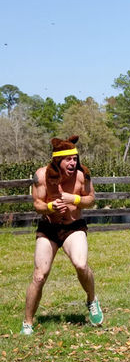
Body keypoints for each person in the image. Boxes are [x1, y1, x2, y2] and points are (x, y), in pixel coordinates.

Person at [22, 135, 103, 335]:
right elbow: (37, 204)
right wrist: (50, 207)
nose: (73, 163)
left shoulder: (82, 175)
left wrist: (73, 199)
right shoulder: (41, 175)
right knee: (39, 276)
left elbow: (91, 199)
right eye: (68, 159)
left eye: (75, 159)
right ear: (58, 160)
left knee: (81, 264)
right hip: (49, 228)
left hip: (73, 227)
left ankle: (92, 300)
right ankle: (27, 323)